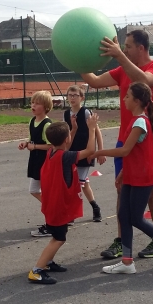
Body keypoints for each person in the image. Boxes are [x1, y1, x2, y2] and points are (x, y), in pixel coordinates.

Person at [79, 29, 153, 260]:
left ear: (141, 48)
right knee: (122, 189)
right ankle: (122, 241)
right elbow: (94, 81)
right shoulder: (122, 70)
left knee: (151, 192)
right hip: (125, 139)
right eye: (124, 47)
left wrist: (119, 55)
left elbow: (143, 80)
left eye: (128, 47)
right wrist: (76, 57)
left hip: (151, 141)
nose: (124, 50)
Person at [96, 82, 153, 273]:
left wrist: (98, 152)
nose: (124, 99)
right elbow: (134, 153)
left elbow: (125, 150)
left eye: (127, 96)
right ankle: (127, 262)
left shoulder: (140, 122)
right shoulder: (135, 120)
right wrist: (123, 173)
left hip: (143, 176)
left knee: (135, 218)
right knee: (123, 215)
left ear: (137, 101)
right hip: (132, 175)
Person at [28, 117, 100, 285]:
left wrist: (73, 129)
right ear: (67, 139)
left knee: (59, 234)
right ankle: (36, 270)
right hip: (58, 206)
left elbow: (64, 144)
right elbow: (90, 150)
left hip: (52, 204)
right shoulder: (65, 157)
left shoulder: (51, 152)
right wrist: (92, 128)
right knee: (59, 238)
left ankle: (48, 262)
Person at [63, 84, 105, 223]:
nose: (72, 98)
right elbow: (66, 135)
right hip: (71, 153)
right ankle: (95, 207)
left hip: (86, 152)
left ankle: (72, 213)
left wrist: (100, 152)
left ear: (81, 97)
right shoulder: (66, 114)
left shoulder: (86, 113)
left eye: (75, 95)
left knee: (78, 184)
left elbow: (97, 132)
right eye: (70, 95)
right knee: (83, 182)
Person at [17, 90, 53, 237]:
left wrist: (35, 146)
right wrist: (26, 143)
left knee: (43, 192)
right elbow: (32, 139)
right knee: (34, 190)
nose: (33, 105)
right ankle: (52, 212)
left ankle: (51, 221)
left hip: (44, 162)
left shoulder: (47, 124)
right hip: (35, 160)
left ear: (46, 107)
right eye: (32, 102)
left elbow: (51, 146)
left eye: (37, 103)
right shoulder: (32, 121)